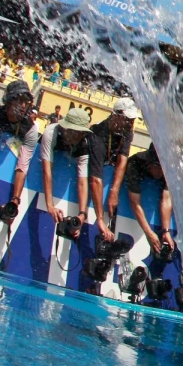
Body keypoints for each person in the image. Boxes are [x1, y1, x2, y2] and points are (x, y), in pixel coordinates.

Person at [0, 81, 39, 220]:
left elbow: (22, 168)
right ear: (9, 100)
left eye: (26, 102)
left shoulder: (31, 129)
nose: (23, 106)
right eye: (20, 100)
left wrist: (15, 202)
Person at [87, 98, 140, 244]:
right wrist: (100, 219)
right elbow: (95, 180)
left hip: (107, 170)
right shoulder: (97, 135)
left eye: (133, 120)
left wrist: (114, 191)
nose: (131, 124)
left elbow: (123, 160)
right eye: (128, 120)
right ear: (115, 115)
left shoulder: (127, 131)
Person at [39, 107, 93, 231]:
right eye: (74, 132)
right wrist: (50, 206)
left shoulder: (84, 144)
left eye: (80, 133)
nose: (76, 137)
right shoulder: (51, 131)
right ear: (65, 128)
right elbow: (47, 171)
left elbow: (82, 182)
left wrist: (82, 214)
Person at [125, 146, 175, 258]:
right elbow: (135, 203)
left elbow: (166, 199)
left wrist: (166, 231)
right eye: (157, 167)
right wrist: (149, 233)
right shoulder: (135, 164)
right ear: (149, 163)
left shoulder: (168, 171)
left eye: (163, 168)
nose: (161, 172)